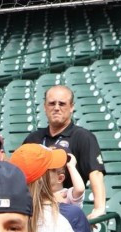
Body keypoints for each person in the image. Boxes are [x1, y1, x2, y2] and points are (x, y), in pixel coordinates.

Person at [22, 85, 107, 219]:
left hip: (65, 212)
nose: (56, 108)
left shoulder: (83, 137)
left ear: (72, 107)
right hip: (35, 212)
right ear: (44, 107)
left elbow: (95, 173)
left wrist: (99, 208)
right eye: (51, 103)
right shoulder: (33, 138)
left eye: (62, 104)